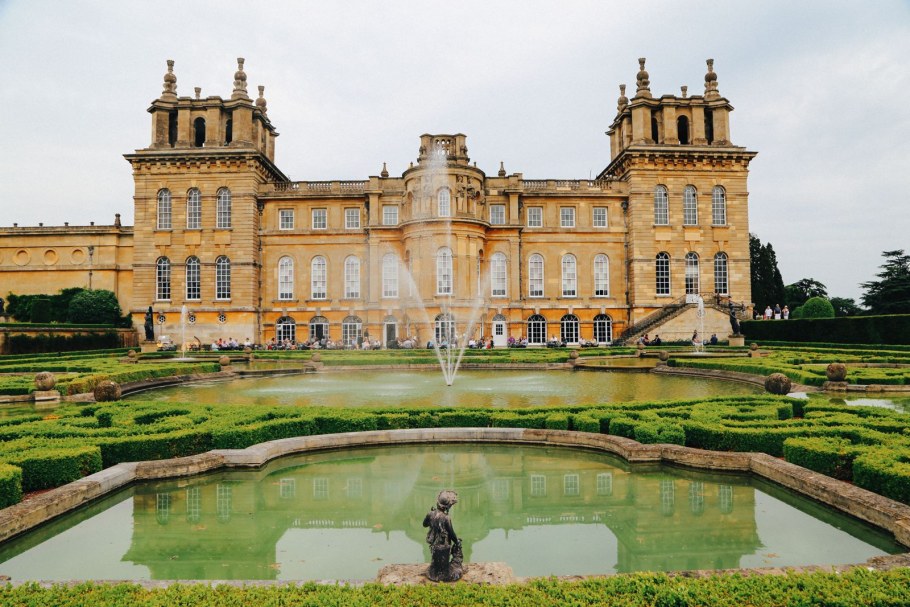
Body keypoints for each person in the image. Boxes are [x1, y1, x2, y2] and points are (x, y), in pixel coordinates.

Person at [423, 490, 463, 582]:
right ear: (447, 506)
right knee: (445, 562)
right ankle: (442, 574)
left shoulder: (430, 514)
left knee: (435, 559)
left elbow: (424, 524)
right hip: (444, 546)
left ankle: (434, 572)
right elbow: (452, 534)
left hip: (434, 544)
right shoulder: (446, 518)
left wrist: (431, 520)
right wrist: (457, 542)